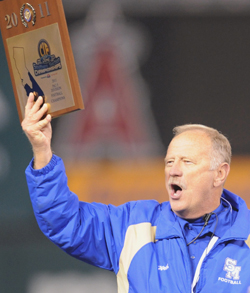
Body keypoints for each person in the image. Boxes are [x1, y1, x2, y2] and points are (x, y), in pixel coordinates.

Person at [22, 92, 250, 292]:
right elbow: (64, 220)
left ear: (220, 173)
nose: (174, 170)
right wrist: (42, 150)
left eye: (187, 161)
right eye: (169, 161)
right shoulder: (133, 226)